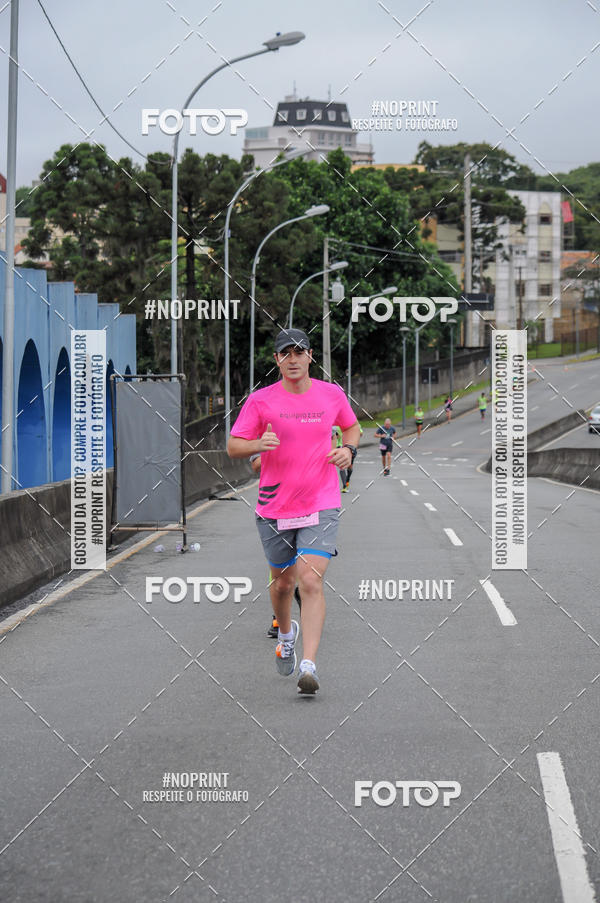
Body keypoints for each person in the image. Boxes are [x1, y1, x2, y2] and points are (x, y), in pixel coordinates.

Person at [227, 327, 360, 695]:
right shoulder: (261, 401)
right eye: (286, 353)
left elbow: (352, 427)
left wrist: (348, 451)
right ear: (277, 360)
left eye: (299, 352)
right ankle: (287, 635)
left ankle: (309, 664)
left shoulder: (331, 394)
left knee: (311, 580)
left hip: (321, 502)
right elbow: (234, 447)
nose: (293, 359)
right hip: (275, 506)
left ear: (310, 356)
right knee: (283, 584)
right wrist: (258, 443)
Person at [250, 452, 302, 638]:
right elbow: (256, 464)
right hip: (276, 506)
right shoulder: (268, 427)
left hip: (312, 502)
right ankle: (278, 616)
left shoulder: (315, 421)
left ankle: (301, 591)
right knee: (280, 569)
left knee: (309, 565)